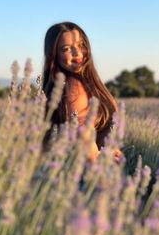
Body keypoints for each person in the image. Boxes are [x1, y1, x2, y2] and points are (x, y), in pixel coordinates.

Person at [42, 21, 122, 162]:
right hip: (91, 176)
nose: (77, 52)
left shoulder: (84, 82)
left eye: (81, 45)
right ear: (54, 55)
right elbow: (85, 141)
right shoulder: (74, 86)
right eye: (66, 49)